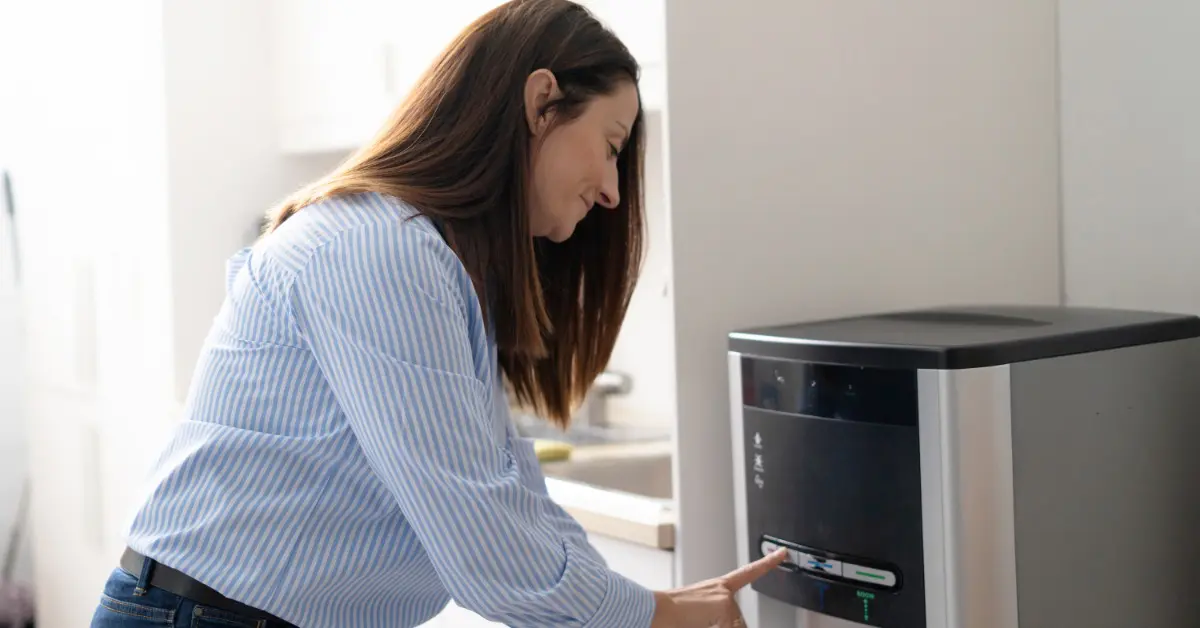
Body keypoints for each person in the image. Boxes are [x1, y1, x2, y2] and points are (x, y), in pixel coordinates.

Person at [89, 1, 786, 627]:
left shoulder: (431, 266)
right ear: (542, 102)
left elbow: (508, 492)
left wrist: (659, 610)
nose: (611, 190)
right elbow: (484, 544)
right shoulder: (377, 250)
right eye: (610, 145)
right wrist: (655, 618)